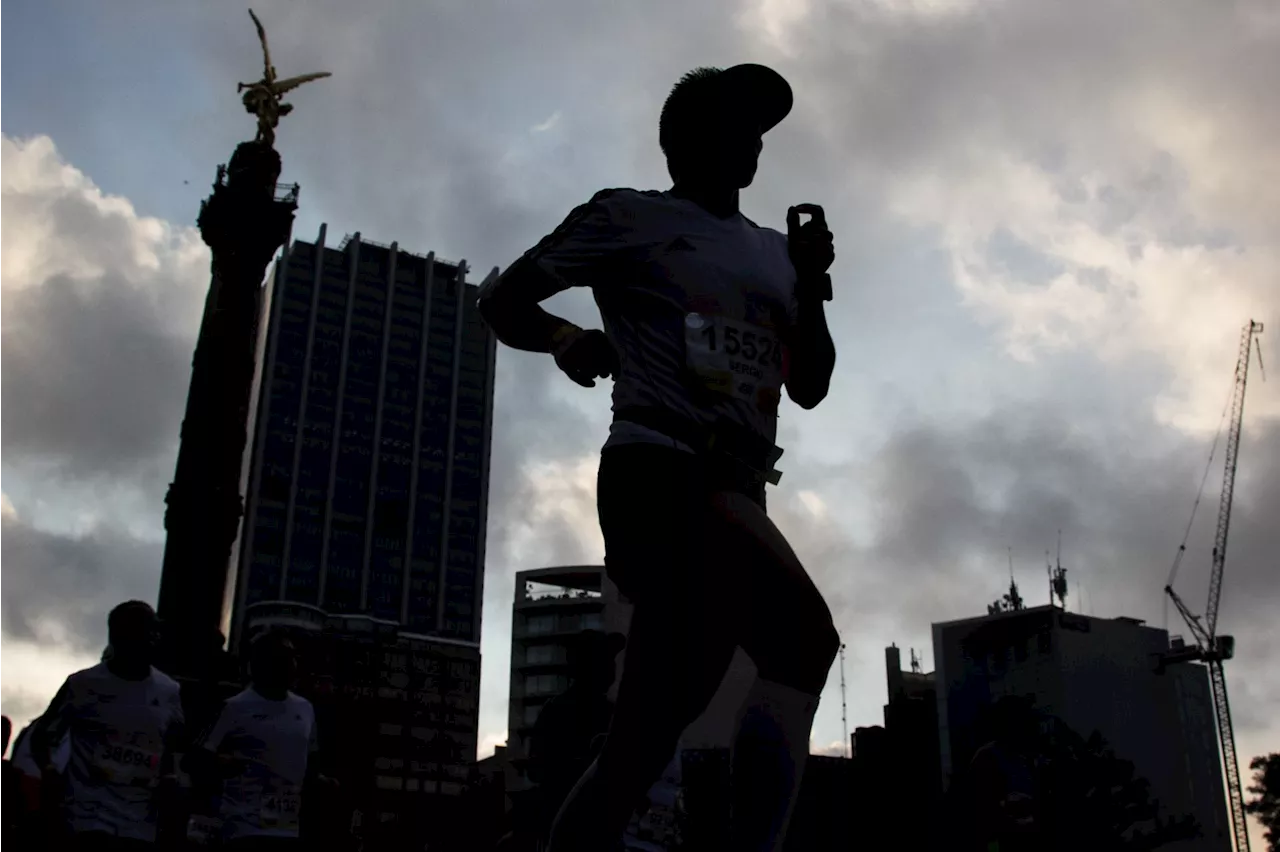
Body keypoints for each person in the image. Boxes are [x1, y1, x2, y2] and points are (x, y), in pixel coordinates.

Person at [478, 63, 841, 852]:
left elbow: (811, 385)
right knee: (804, 639)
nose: (755, 141)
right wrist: (567, 337)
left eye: (759, 128)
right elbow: (503, 302)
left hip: (742, 491)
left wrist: (811, 286)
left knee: (635, 753)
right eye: (738, 123)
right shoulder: (629, 217)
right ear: (689, 140)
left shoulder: (781, 257)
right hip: (661, 470)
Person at [29, 601, 185, 851]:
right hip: (86, 819)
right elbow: (42, 736)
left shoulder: (169, 691)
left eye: (154, 632)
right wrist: (49, 771)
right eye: (145, 631)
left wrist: (169, 778)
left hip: (139, 823)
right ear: (119, 636)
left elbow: (172, 745)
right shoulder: (83, 684)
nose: (152, 639)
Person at [187, 628, 329, 850]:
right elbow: (196, 758)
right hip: (243, 829)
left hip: (289, 830)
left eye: (293, 659)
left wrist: (323, 783)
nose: (292, 665)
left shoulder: (305, 708)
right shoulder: (234, 708)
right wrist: (221, 763)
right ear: (261, 664)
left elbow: (311, 762)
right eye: (283, 659)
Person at [526, 630, 627, 845]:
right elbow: (536, 770)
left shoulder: (613, 713)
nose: (612, 667)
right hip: (569, 830)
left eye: (611, 660)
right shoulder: (558, 711)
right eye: (605, 659)